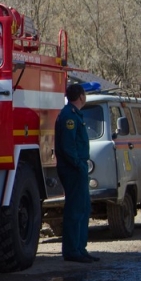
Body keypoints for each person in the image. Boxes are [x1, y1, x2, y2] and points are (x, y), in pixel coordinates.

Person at [55, 83, 98, 263]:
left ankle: (80, 248)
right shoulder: (69, 116)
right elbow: (67, 145)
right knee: (75, 209)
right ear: (80, 96)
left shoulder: (74, 114)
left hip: (78, 166)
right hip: (73, 168)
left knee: (84, 207)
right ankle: (72, 250)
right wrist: (78, 165)